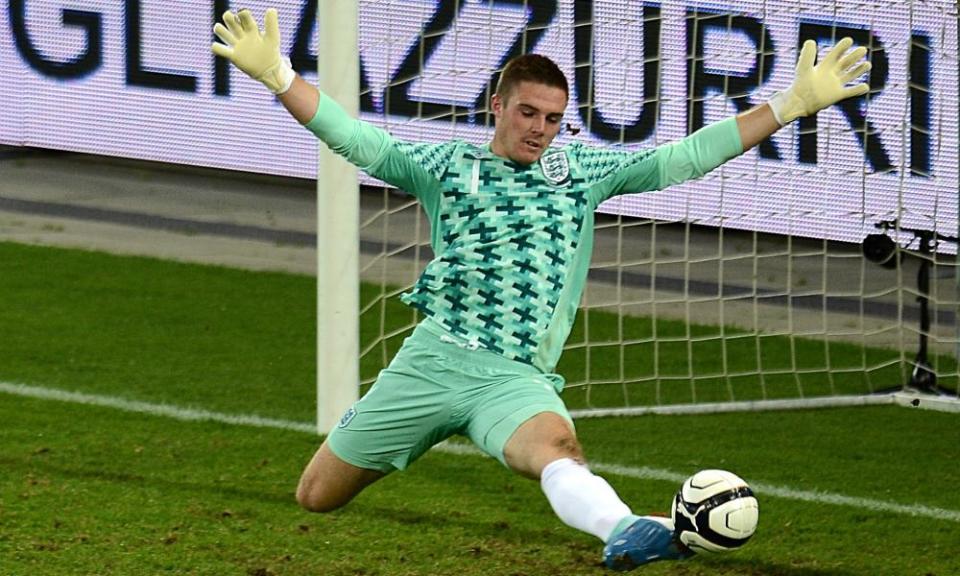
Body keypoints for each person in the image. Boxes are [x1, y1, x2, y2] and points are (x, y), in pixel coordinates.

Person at [212, 8, 870, 571]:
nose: (539, 128)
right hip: (431, 360)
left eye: (553, 118)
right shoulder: (448, 167)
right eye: (528, 112)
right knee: (316, 495)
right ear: (497, 106)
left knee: (557, 451)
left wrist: (788, 106)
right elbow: (355, 138)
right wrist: (280, 77)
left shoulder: (579, 172)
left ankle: (625, 530)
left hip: (511, 377)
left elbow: (683, 158)